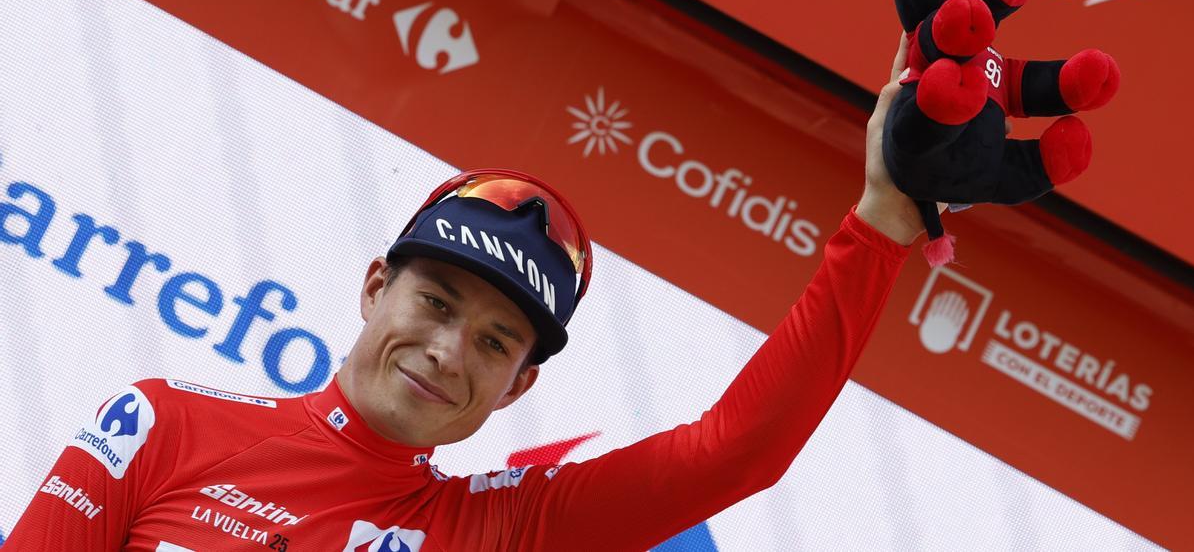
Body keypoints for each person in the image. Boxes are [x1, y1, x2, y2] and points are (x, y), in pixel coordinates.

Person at [6, 34, 938, 551]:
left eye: (496, 342)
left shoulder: (497, 528)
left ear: (518, 388)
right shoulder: (161, 426)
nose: (450, 350)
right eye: (437, 303)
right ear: (375, 287)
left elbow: (735, 451)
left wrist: (883, 225)